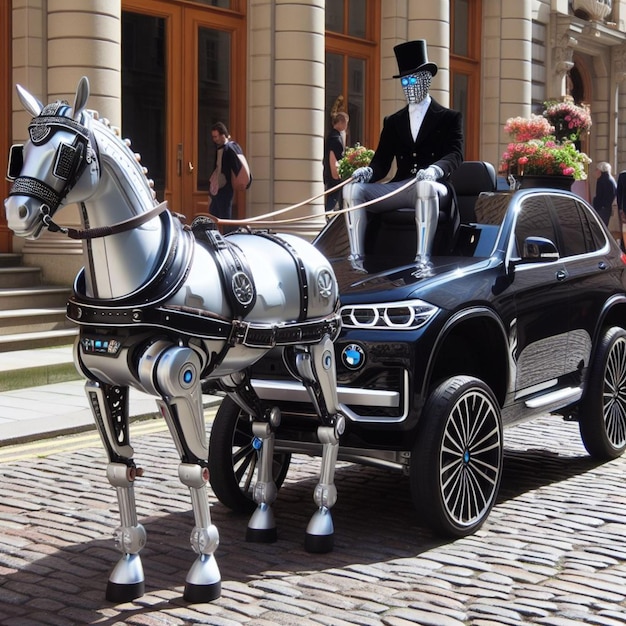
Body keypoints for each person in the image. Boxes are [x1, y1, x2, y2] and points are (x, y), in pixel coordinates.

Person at [346, 40, 464, 264]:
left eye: (413, 80)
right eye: (404, 81)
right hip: (400, 187)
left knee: (425, 186)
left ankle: (423, 257)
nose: (408, 86)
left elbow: (455, 154)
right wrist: (368, 172)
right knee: (352, 191)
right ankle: (356, 257)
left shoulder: (449, 117)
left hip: (435, 186)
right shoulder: (393, 121)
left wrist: (434, 170)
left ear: (426, 79)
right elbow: (381, 162)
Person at [208, 122, 250, 222]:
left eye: (216, 136)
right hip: (217, 187)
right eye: (213, 137)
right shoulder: (221, 147)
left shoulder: (230, 148)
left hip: (225, 188)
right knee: (214, 214)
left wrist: (242, 182)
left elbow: (238, 167)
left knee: (224, 216)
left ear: (223, 134)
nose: (215, 139)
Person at [323, 110, 349, 213]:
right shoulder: (335, 138)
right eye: (346, 123)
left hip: (331, 174)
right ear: (341, 122)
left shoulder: (332, 135)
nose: (346, 126)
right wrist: (336, 174)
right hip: (334, 175)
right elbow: (333, 158)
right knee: (333, 201)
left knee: (334, 200)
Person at [592, 161, 617, 227]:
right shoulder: (611, 179)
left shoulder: (602, 180)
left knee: (600, 227)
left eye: (597, 169)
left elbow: (599, 195)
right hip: (607, 207)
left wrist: (596, 204)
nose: (596, 171)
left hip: (601, 208)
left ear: (600, 170)